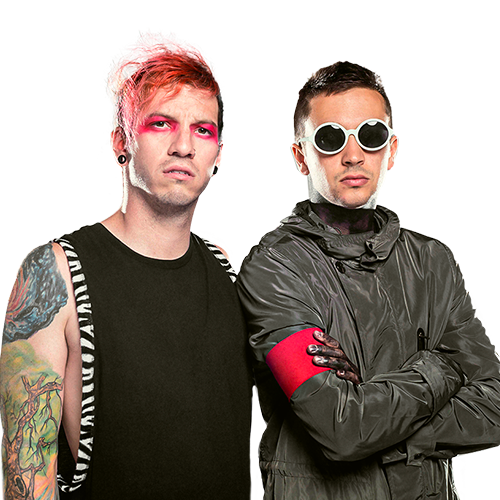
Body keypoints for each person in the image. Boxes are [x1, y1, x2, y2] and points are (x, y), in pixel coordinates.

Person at [0, 32, 254, 500]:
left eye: (203, 129)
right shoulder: (53, 274)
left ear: (218, 153)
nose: (184, 145)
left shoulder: (228, 274)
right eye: (161, 123)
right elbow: (25, 478)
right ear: (122, 140)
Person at [236, 61, 500, 499]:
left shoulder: (431, 262)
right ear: (301, 155)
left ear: (390, 150)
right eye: (331, 138)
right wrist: (441, 366)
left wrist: (386, 429)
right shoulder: (273, 269)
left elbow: (495, 404)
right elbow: (342, 428)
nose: (353, 155)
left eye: (370, 135)